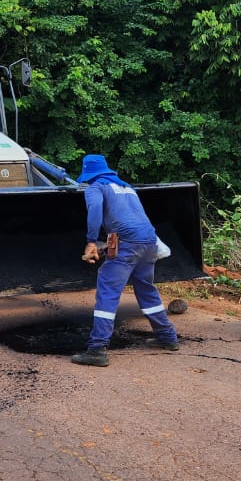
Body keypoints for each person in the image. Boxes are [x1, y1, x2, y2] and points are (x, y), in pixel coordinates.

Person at [70, 154, 180, 367]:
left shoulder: (95, 187)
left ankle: (96, 349)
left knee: (108, 290)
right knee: (146, 288)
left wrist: (91, 242)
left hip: (128, 242)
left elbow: (94, 212)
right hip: (149, 240)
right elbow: (131, 221)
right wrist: (108, 247)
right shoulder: (127, 187)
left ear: (88, 173)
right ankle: (167, 337)